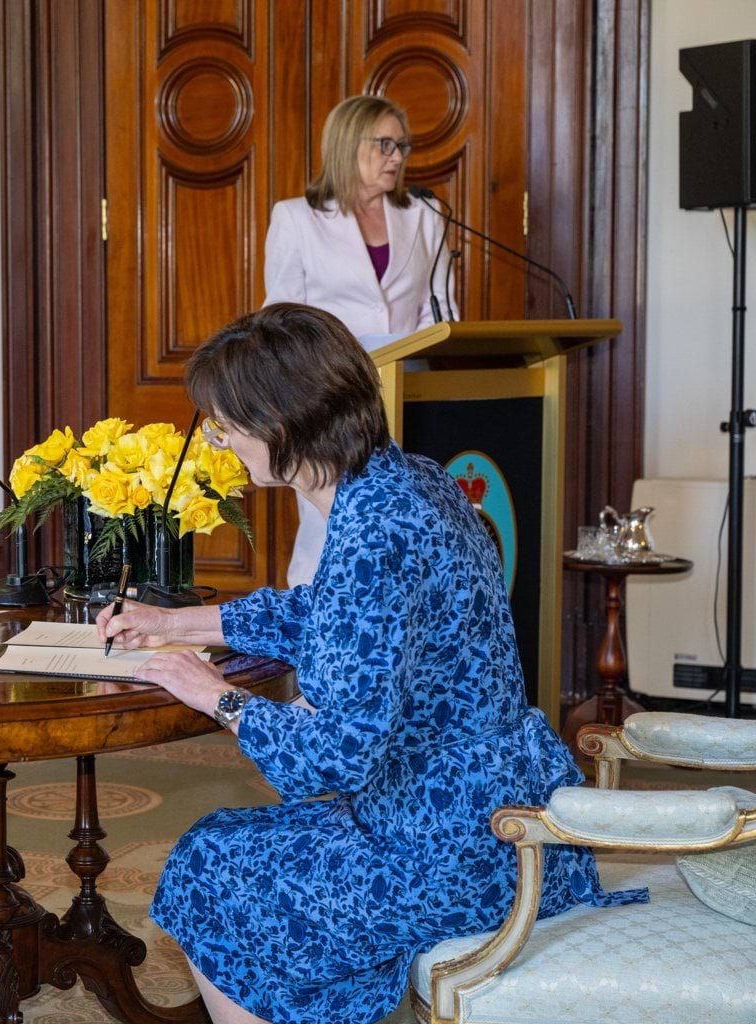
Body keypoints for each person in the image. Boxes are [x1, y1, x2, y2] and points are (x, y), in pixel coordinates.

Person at [97, 304, 641, 1024]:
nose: (219, 441)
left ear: (280, 423)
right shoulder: (410, 481)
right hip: (511, 810)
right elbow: (335, 614)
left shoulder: (373, 531)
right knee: (231, 851)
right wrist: (176, 623)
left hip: (452, 846)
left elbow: (337, 757)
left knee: (210, 866)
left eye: (225, 426)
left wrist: (216, 695)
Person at [264, 94, 457, 587]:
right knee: (328, 525)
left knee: (407, 519)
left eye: (402, 147)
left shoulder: (425, 215)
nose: (397, 157)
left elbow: (439, 310)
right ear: (349, 144)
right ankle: (312, 614)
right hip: (330, 396)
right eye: (385, 145)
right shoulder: (297, 218)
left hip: (410, 393)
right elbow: (282, 321)